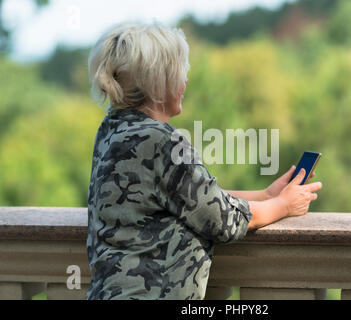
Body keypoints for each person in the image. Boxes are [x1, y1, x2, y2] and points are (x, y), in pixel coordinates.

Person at [86, 21, 322, 300]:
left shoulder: (112, 130)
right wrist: (283, 205)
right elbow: (222, 220)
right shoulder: (162, 141)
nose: (185, 80)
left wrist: (266, 195)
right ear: (158, 81)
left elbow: (189, 198)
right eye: (180, 71)